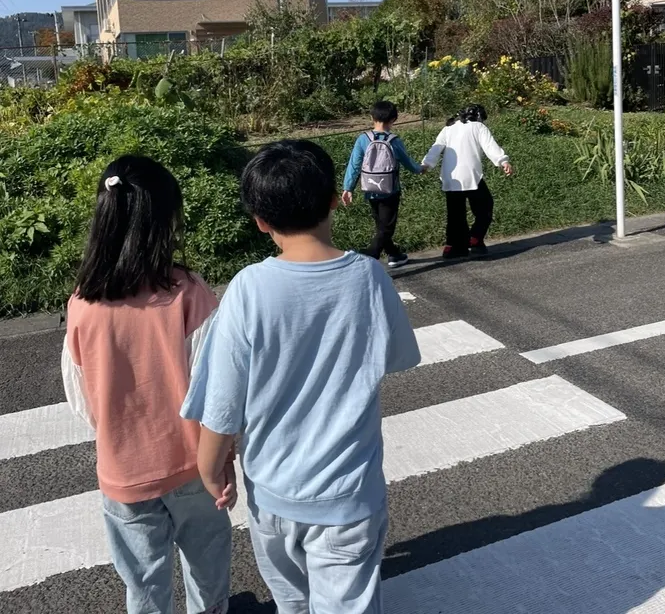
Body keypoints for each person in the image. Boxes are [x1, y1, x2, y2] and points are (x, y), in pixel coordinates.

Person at [182, 139, 421, 614]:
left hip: (272, 496)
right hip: (349, 496)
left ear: (261, 221)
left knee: (291, 603)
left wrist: (211, 471)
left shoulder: (249, 288)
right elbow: (396, 356)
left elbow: (223, 405)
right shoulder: (370, 278)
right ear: (335, 199)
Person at [61, 155, 232, 614]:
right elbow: (219, 388)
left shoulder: (82, 304)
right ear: (164, 222)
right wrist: (226, 455)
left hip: (122, 472)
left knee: (143, 582)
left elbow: (82, 398)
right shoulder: (188, 293)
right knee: (207, 564)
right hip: (193, 464)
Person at [422, 104, 513, 259]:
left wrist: (426, 165)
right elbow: (490, 146)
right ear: (478, 116)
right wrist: (503, 161)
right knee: (485, 207)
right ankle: (475, 238)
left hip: (451, 178)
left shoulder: (448, 128)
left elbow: (435, 148)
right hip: (471, 176)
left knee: (455, 214)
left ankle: (452, 247)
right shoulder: (478, 127)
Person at [341, 100, 424, 268]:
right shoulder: (394, 141)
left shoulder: (363, 139)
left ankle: (395, 255)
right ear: (394, 119)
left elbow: (354, 165)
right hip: (390, 190)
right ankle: (369, 255)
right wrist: (420, 169)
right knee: (386, 228)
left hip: (370, 188)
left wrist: (347, 188)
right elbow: (408, 163)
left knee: (381, 225)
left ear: (372, 117)